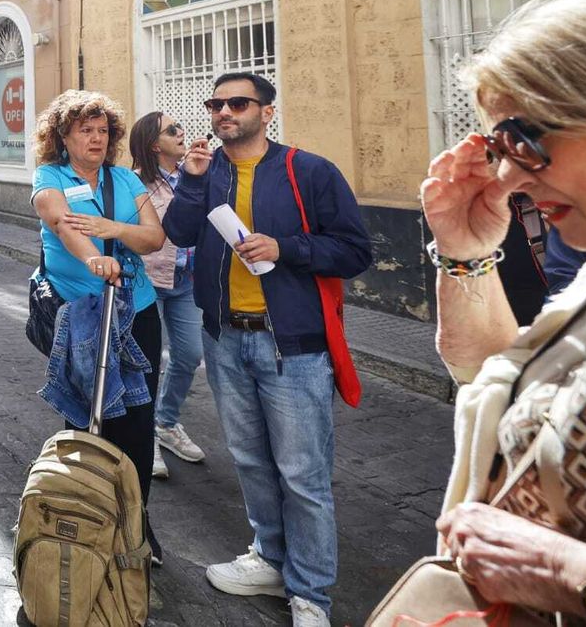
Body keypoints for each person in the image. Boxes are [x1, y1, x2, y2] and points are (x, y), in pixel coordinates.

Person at [415, 0, 586, 623]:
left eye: (523, 137)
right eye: (496, 150)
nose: (509, 177)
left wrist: (578, 577)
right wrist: (465, 253)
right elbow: (495, 373)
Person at [164, 72, 371, 627]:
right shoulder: (208, 172)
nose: (223, 112)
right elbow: (179, 235)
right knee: (252, 461)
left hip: (294, 346)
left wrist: (288, 248)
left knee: (303, 474)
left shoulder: (309, 170)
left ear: (267, 112)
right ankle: (269, 558)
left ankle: (310, 593)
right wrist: (189, 180)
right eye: (216, 104)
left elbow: (355, 251)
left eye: (237, 103)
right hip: (226, 338)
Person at [31, 91, 167, 558]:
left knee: (136, 419)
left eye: (102, 131)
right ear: (63, 136)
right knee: (84, 416)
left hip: (137, 310)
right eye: (84, 130)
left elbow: (154, 238)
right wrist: (95, 260)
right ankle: (81, 516)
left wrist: (113, 232)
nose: (95, 138)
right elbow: (61, 223)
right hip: (83, 315)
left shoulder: (126, 179)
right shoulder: (50, 177)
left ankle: (136, 521)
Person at [128, 111, 206, 480]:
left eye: (181, 127)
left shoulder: (195, 175)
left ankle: (166, 423)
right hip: (149, 280)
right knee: (147, 361)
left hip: (187, 280)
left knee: (189, 355)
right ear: (153, 143)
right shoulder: (135, 184)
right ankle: (145, 439)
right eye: (172, 130)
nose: (182, 133)